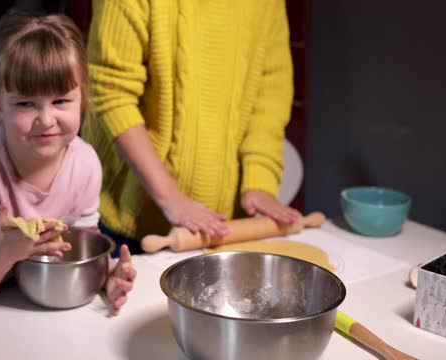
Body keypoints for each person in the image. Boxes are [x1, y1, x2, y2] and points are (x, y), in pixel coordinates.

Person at [0, 13, 136, 315]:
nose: (46, 119)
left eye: (61, 101)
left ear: (82, 99)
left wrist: (105, 277)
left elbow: (79, 245)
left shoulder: (86, 163)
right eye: (26, 103)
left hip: (46, 291)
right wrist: (4, 255)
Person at [82, 0, 301, 251]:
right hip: (129, 220)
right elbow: (112, 95)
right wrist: (172, 199)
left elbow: (271, 93)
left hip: (221, 227)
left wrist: (260, 181)